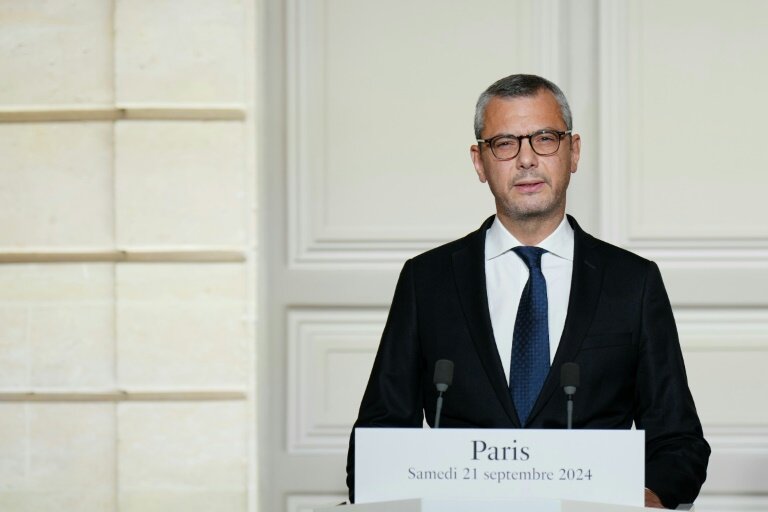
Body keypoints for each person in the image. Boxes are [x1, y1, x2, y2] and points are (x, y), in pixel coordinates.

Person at [345, 74, 709, 509]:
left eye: (544, 139)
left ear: (573, 152)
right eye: (504, 143)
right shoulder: (428, 280)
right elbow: (378, 439)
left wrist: (646, 502)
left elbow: (679, 441)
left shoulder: (633, 282)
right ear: (479, 162)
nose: (527, 160)